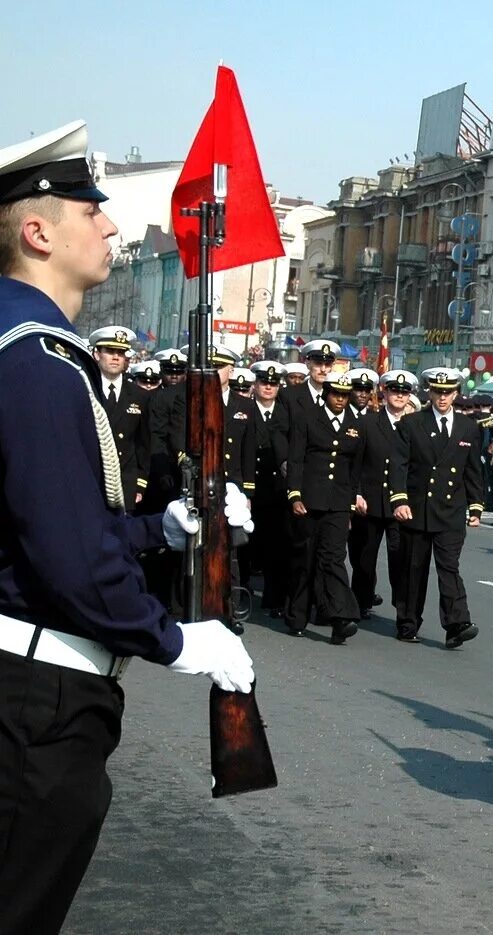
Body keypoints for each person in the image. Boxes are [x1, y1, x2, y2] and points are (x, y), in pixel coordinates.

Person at [0, 120, 254, 933]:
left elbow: (48, 520)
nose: (110, 225)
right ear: (38, 232)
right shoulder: (36, 362)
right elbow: (70, 561)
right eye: (89, 211)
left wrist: (160, 530)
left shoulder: (30, 348)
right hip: (36, 704)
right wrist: (174, 639)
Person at [389, 367, 483, 648]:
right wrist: (399, 499)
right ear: (429, 392)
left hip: (451, 509)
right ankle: (408, 622)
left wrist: (476, 506)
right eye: (438, 392)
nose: (443, 397)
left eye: (448, 392)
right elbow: (398, 465)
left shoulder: (468, 427)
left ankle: (457, 623)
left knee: (449, 567)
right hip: (417, 508)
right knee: (413, 569)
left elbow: (473, 470)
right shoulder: (412, 423)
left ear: (456, 393)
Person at [284, 371, 365, 644]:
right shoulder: (308, 418)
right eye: (335, 394)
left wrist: (351, 504)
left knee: (333, 558)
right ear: (326, 394)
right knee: (305, 560)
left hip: (339, 502)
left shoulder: (356, 425)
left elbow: (356, 469)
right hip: (309, 499)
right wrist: (295, 495)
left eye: (345, 395)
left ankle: (341, 618)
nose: (340, 400)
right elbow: (296, 460)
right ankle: (297, 615)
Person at [350, 370, 415, 624]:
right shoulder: (368, 423)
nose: (399, 396)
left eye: (404, 392)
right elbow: (355, 462)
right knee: (364, 557)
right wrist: (355, 493)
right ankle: (360, 601)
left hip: (400, 505)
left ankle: (403, 607)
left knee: (400, 558)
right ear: (384, 393)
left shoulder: (415, 425)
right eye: (394, 391)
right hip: (370, 500)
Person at [89, 325, 150, 511]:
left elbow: (144, 443)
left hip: (125, 481)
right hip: (92, 477)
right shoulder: (86, 389)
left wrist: (140, 483)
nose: (116, 357)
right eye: (109, 351)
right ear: (96, 354)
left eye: (121, 352)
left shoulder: (140, 395)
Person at [247, 360, 290, 616]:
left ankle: (274, 598)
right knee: (248, 542)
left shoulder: (285, 413)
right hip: (252, 486)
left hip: (277, 488)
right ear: (256, 384)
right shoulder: (245, 409)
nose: (268, 387)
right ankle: (243, 591)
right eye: (264, 382)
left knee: (277, 545)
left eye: (273, 384)